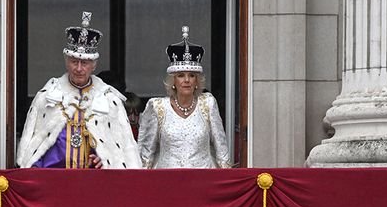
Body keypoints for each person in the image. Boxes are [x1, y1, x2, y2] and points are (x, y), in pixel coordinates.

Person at [16, 12, 141, 169]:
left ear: (94, 65)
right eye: (74, 62)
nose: (79, 68)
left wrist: (104, 159)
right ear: (67, 62)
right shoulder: (48, 97)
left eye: (85, 63)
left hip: (93, 185)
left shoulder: (109, 101)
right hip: (53, 182)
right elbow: (32, 152)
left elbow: (121, 155)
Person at [137, 26, 231, 169]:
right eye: (181, 75)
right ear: (173, 81)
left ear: (197, 81)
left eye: (192, 75)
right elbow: (146, 155)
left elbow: (222, 151)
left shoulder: (208, 104)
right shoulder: (158, 107)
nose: (186, 80)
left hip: (204, 182)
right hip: (167, 183)